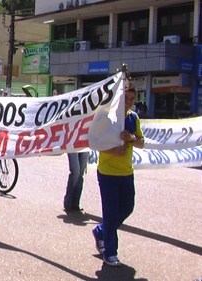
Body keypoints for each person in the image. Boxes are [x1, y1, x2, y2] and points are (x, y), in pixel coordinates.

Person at [92, 82, 145, 267]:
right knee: (111, 211)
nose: (129, 102)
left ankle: (101, 230)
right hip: (107, 173)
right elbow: (94, 141)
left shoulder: (133, 118)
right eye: (126, 98)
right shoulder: (106, 116)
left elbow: (141, 142)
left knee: (127, 207)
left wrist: (131, 138)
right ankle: (110, 252)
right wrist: (114, 151)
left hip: (126, 172)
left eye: (132, 99)